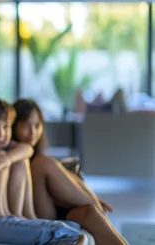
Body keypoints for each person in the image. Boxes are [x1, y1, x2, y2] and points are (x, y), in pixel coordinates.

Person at [0, 97, 86, 245]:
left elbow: (27, 149)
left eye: (6, 126)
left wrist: (9, 157)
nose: (1, 133)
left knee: (18, 160)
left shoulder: (7, 147)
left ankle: (24, 215)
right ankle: (3, 215)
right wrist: (5, 159)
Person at [12, 99, 128, 245]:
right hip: (34, 213)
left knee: (89, 212)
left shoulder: (35, 156)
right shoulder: (10, 152)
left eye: (37, 125)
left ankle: (92, 203)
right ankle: (91, 201)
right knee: (43, 162)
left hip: (54, 209)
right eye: (26, 125)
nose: (33, 132)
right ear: (13, 125)